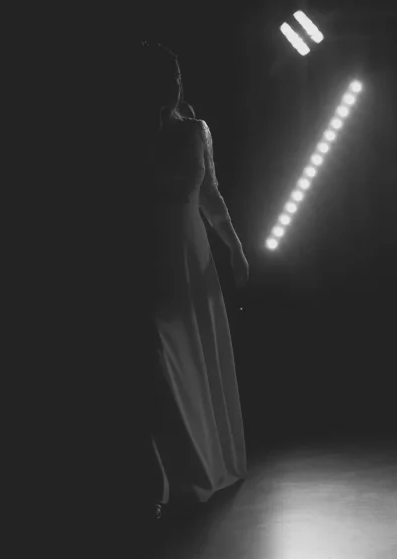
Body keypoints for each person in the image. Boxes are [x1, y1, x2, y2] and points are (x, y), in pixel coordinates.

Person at [137, 42, 249, 518]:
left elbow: (210, 194)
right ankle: (168, 477)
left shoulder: (194, 132)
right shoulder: (129, 134)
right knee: (160, 363)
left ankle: (201, 468)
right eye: (165, 76)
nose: (174, 83)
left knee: (194, 359)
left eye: (176, 74)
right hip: (144, 259)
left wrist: (234, 246)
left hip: (190, 259)